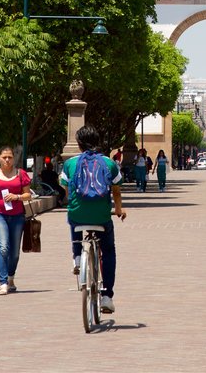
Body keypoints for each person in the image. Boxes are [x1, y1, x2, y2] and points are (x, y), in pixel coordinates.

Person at [60, 125, 126, 313]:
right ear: (98, 142)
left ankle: (78, 257)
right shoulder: (109, 163)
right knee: (109, 251)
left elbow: (65, 189)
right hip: (101, 216)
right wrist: (119, 210)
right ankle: (106, 296)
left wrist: (72, 202)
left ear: (79, 144)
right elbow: (116, 192)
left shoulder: (70, 163)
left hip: (77, 214)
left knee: (73, 219)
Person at [0, 146, 33, 295]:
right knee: (3, 247)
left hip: (17, 216)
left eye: (10, 157)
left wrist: (17, 197)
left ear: (13, 158)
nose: (7, 160)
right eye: (4, 157)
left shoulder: (21, 174)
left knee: (14, 252)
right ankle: (3, 283)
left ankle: (10, 278)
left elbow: (28, 195)